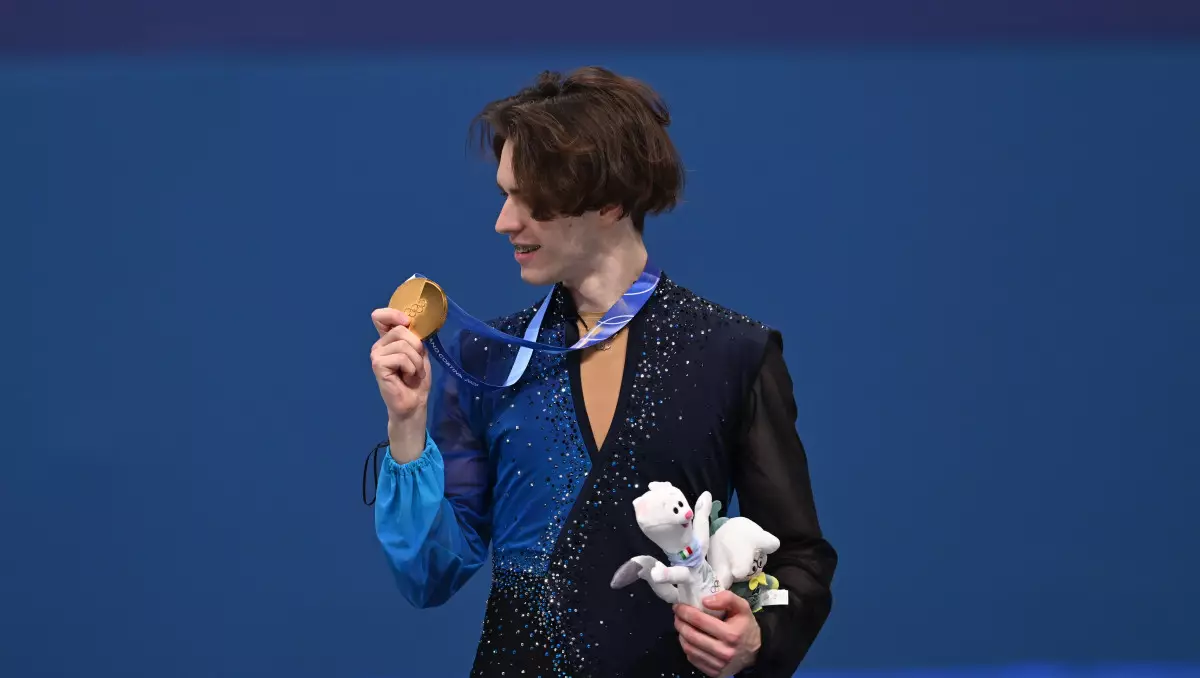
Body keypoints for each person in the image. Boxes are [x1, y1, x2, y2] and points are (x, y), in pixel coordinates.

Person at [367, 66, 837, 678]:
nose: (504, 221)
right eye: (504, 194)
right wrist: (407, 428)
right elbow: (429, 577)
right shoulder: (492, 360)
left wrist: (757, 637)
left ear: (610, 200)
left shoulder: (732, 353)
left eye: (531, 199)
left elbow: (798, 556)